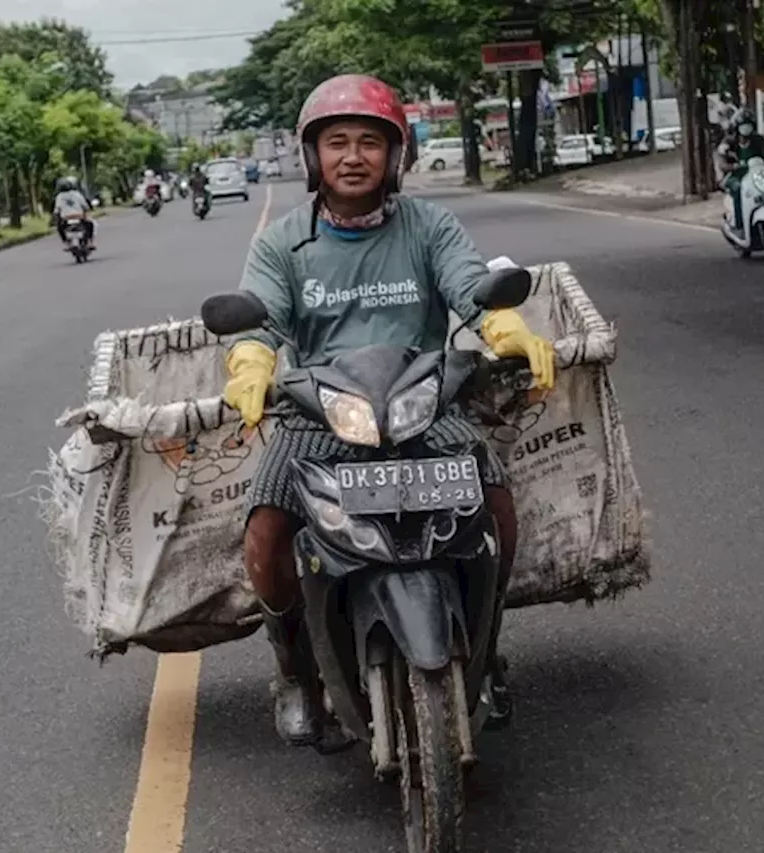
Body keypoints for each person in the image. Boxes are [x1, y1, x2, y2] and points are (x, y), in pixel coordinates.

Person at [221, 74, 556, 746]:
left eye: (369, 142)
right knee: (264, 530)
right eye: (336, 142)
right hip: (319, 417)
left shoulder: (429, 226)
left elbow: (469, 282)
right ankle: (295, 668)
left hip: (425, 407)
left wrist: (504, 327)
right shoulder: (281, 243)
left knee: (498, 509)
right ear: (312, 155)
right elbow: (258, 319)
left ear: (394, 154)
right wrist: (253, 365)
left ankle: (485, 652)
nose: (352, 156)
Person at [716, 108, 764, 232]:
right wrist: (733, 166)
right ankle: (740, 225)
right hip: (735, 176)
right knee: (738, 189)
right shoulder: (729, 142)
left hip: (756, 176)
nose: (746, 128)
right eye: (743, 125)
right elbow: (722, 162)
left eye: (749, 125)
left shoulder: (758, 140)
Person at [52, 177, 95, 246]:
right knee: (90, 224)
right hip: (79, 216)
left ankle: (66, 241)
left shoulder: (59, 197)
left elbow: (57, 209)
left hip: (66, 218)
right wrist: (87, 210)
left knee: (59, 227)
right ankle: (90, 241)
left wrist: (56, 216)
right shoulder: (77, 194)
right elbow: (85, 206)